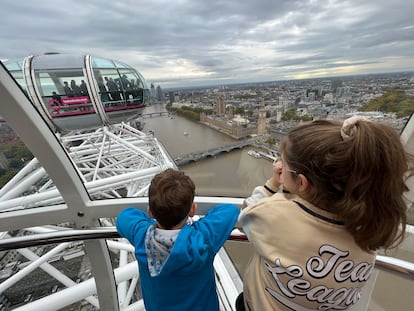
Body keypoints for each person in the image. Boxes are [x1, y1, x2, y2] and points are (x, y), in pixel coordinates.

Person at [236, 116, 414, 311]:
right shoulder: (370, 226)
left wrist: (273, 184)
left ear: (302, 183)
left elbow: (249, 211)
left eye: (283, 165)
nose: (279, 166)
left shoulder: (273, 214)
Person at [116, 168, 239, 311]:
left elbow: (124, 216)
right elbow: (230, 210)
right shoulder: (203, 240)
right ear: (192, 210)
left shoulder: (142, 236)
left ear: (150, 212)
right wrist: (197, 226)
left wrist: (149, 223)